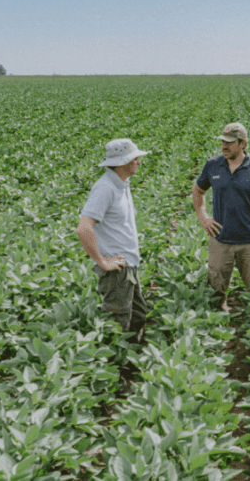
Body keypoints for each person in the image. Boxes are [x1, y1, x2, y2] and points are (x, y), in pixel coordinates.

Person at [193, 123, 250, 311]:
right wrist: (203, 217)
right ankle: (218, 324)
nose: (224, 146)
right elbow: (198, 190)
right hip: (221, 239)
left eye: (229, 142)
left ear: (243, 143)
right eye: (222, 142)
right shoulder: (213, 166)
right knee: (216, 288)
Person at [76, 138, 149, 345]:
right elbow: (83, 228)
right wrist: (102, 261)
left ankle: (130, 366)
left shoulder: (121, 184)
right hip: (116, 271)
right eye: (135, 158)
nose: (139, 162)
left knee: (138, 315)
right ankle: (114, 372)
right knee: (117, 325)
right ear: (123, 162)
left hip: (128, 266)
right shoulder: (105, 188)